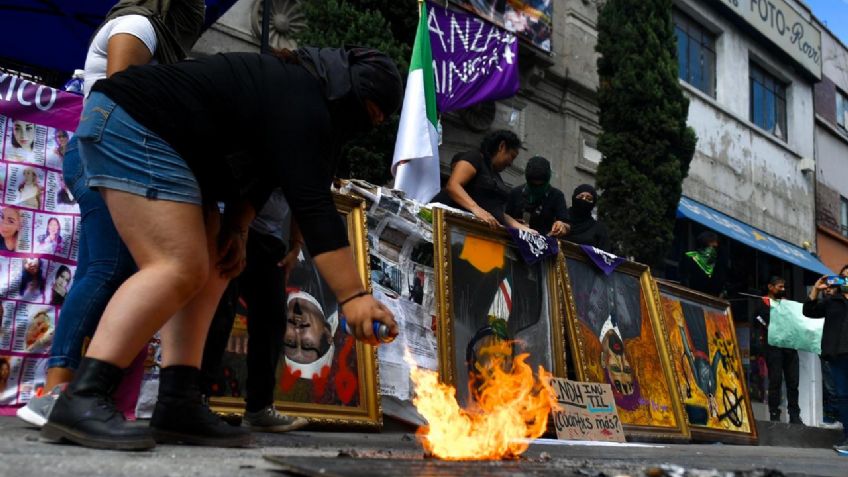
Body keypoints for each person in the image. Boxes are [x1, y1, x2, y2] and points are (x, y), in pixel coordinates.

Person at [42, 46, 402, 451]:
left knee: (215, 267)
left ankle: (178, 401)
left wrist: (236, 227)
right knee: (177, 265)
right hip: (135, 123)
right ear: (348, 91)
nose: (365, 126)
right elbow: (312, 203)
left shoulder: (297, 99)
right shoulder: (303, 98)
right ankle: (83, 396)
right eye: (368, 113)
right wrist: (354, 297)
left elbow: (266, 172)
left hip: (170, 145)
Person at [18, 0, 206, 429]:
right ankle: (56, 391)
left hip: (106, 155)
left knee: (105, 269)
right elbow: (122, 100)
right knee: (108, 267)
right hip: (106, 154)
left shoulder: (155, 35)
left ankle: (74, 387)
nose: (196, 14)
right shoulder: (139, 26)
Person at [201, 190, 308, 432]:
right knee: (220, 313)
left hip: (267, 238)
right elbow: (251, 183)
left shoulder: (316, 160)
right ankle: (197, 398)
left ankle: (260, 407)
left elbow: (304, 197)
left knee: (272, 318)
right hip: (228, 222)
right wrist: (237, 230)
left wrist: (296, 245)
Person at [430, 130, 529, 230]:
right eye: (512, 156)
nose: (510, 163)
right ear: (502, 146)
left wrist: (520, 227)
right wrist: (476, 209)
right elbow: (453, 186)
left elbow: (495, 210)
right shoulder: (474, 157)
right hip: (450, 227)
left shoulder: (496, 175)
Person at [803, 275, 848, 452]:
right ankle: (847, 436)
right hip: (837, 354)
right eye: (844, 277)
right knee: (843, 396)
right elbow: (809, 311)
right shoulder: (832, 301)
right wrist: (816, 288)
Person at [753, 276, 802, 424]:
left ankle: (794, 415)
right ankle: (774, 414)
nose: (783, 289)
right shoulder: (762, 303)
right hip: (773, 347)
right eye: (779, 287)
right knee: (775, 380)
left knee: (793, 382)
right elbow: (758, 320)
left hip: (790, 346)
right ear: (770, 287)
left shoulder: (787, 303)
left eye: (784, 287)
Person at [505, 156, 569, 237]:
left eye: (541, 185)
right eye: (533, 185)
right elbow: (503, 217)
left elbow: (567, 225)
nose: (537, 188)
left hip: (544, 242)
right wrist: (515, 224)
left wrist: (561, 226)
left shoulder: (557, 196)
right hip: (515, 240)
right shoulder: (515, 193)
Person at [679, 231, 725, 297]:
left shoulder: (718, 267)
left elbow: (717, 288)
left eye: (716, 248)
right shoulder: (689, 257)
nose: (715, 250)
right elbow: (683, 279)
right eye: (712, 247)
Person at [562, 184, 609, 249]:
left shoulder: (599, 228)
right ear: (574, 198)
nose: (583, 200)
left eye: (588, 198)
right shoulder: (561, 218)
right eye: (580, 197)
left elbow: (604, 254)